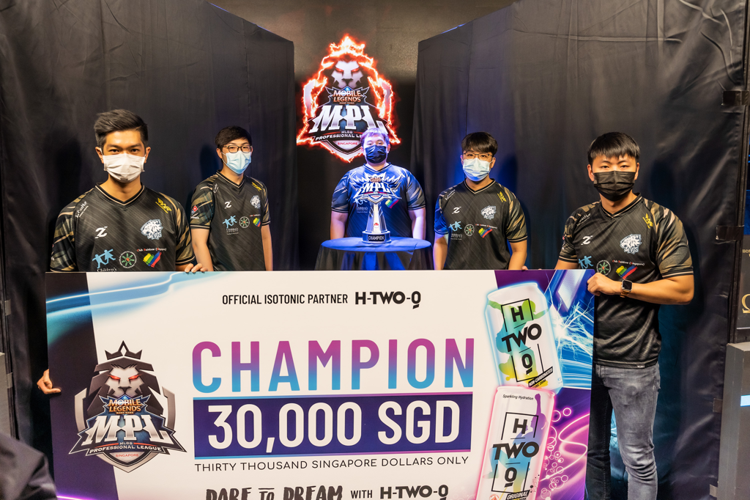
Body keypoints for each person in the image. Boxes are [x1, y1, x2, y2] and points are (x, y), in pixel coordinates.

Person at [555, 132, 694, 499]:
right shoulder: (579, 220)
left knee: (637, 458)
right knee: (588, 453)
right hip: (580, 359)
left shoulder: (660, 220)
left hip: (633, 362)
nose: (613, 172)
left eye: (622, 165)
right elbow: (561, 284)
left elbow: (682, 289)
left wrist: (620, 287)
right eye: (605, 166)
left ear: (636, 169)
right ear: (591, 172)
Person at [38, 109, 202, 394]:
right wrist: (59, 361)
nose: (125, 157)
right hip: (99, 350)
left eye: (133, 149)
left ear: (145, 153)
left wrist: (198, 281)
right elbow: (63, 299)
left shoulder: (171, 210)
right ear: (101, 154)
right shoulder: (73, 214)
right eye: (115, 150)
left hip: (165, 342)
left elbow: (184, 278)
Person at [433, 132, 527, 270]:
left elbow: (519, 250)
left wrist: (509, 279)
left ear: (492, 162)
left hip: (494, 278)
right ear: (462, 159)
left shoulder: (508, 199)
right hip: (454, 279)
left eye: (483, 156)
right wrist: (439, 276)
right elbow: (440, 242)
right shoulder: (445, 198)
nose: (476, 160)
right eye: (470, 155)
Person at [190, 126, 272, 271]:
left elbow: (265, 236)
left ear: (251, 150)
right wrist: (211, 280)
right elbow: (198, 243)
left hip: (257, 276)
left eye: (244, 147)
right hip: (223, 277)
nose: (239, 153)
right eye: (232, 148)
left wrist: (269, 275)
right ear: (220, 152)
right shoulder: (206, 190)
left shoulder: (259, 188)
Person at [330, 129, 426, 239]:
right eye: (369, 143)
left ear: (388, 147)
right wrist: (335, 247)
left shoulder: (405, 176)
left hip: (398, 246)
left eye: (379, 143)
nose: (375, 147)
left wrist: (418, 246)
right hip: (358, 246)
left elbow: (418, 216)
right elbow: (338, 219)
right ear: (362, 150)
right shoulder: (350, 178)